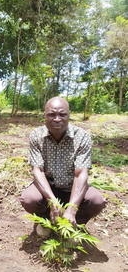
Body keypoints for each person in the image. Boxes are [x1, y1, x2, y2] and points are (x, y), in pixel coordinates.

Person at [20, 96, 105, 237]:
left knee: (96, 201)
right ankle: (45, 220)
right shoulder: (36, 135)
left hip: (73, 188)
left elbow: (80, 174)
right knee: (29, 199)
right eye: (51, 115)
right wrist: (52, 201)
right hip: (47, 188)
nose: (57, 119)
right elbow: (38, 170)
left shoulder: (82, 137)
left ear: (69, 115)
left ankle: (74, 223)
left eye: (62, 114)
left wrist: (72, 208)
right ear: (45, 116)